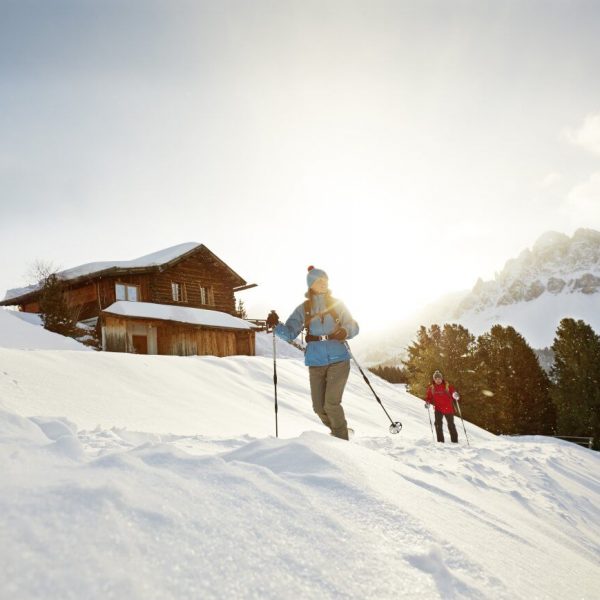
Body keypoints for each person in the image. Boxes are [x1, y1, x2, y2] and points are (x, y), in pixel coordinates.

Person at [269, 266, 359, 440]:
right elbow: (289, 333)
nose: (324, 284)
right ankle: (341, 431)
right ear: (311, 284)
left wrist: (345, 331)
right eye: (319, 281)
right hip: (315, 361)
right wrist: (276, 325)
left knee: (331, 404)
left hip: (338, 359)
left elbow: (354, 326)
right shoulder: (304, 309)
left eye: (326, 281)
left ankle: (342, 441)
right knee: (319, 407)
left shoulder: (337, 304)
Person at [425, 370, 459, 443]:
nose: (438, 380)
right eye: (436, 379)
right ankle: (440, 442)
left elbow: (453, 392)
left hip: (448, 408)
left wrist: (455, 394)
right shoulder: (432, 388)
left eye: (439, 379)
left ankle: (455, 441)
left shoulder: (447, 386)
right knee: (438, 424)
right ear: (434, 379)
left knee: (451, 425)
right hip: (438, 409)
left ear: (442, 379)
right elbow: (428, 397)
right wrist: (427, 402)